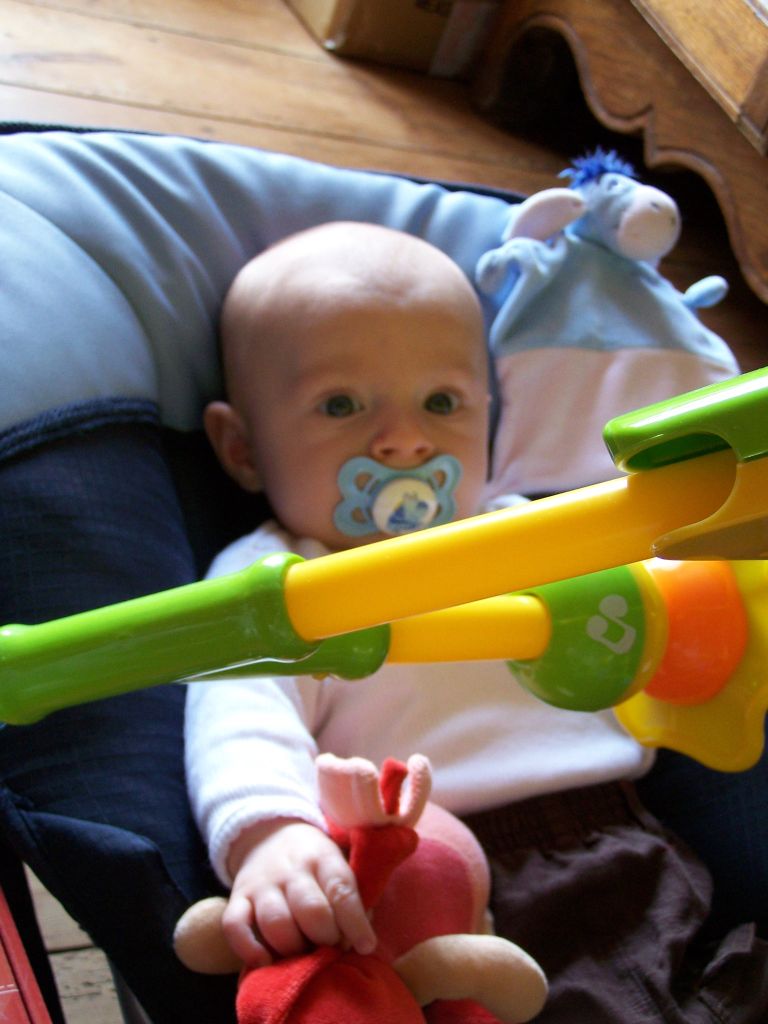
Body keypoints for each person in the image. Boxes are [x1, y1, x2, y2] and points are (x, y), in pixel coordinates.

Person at [185, 221, 768, 1022]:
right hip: (430, 884)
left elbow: (661, 598)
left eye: (442, 402)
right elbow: (239, 718)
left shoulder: (531, 529)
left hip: (627, 838)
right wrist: (271, 837)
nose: (404, 440)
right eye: (341, 405)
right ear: (243, 449)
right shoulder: (277, 579)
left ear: (489, 419)